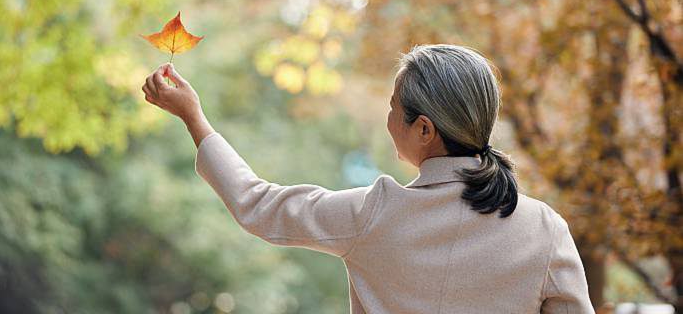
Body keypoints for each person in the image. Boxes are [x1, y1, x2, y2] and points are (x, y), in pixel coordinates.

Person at [142, 44, 595, 313]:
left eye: (393, 108)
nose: (387, 119)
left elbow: (258, 204)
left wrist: (194, 118)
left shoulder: (373, 214)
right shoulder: (544, 228)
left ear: (424, 129)